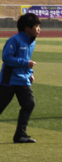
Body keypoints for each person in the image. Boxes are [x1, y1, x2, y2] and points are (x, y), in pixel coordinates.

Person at [2, 13, 39, 143]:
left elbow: (27, 59)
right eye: (36, 27)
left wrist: (29, 73)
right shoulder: (15, 40)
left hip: (23, 79)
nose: (39, 29)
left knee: (29, 104)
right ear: (27, 28)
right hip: (9, 79)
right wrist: (25, 64)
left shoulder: (32, 41)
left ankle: (20, 136)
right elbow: (6, 58)